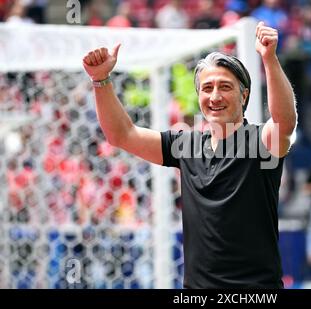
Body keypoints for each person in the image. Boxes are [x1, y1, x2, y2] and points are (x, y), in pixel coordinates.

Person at [81, 22, 297, 288]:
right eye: (207, 88)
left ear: (244, 95)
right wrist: (100, 80)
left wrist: (269, 59)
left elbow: (284, 122)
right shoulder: (186, 145)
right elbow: (122, 135)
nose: (215, 96)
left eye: (225, 87)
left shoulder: (261, 143)